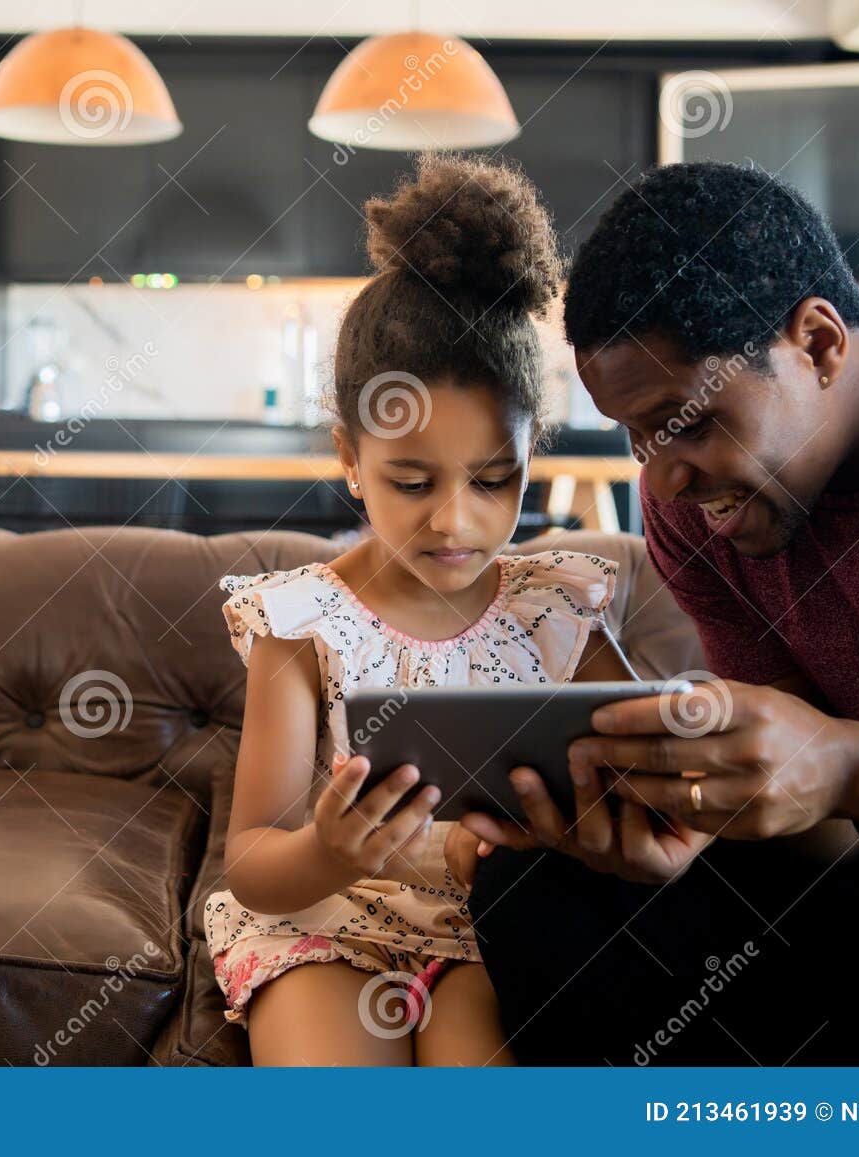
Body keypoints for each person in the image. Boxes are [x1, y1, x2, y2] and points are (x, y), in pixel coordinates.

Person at [462, 160, 859, 1064]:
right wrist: (692, 813)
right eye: (636, 434)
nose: (658, 478)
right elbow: (822, 825)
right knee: (538, 895)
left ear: (816, 342)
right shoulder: (700, 510)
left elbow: (845, 777)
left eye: (685, 420)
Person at [202, 153, 640, 1066]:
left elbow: (645, 768)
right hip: (324, 923)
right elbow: (251, 857)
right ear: (350, 459)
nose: (456, 519)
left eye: (493, 480)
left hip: (485, 930)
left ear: (534, 453)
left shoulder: (557, 606)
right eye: (410, 480)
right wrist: (329, 849)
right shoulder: (303, 622)